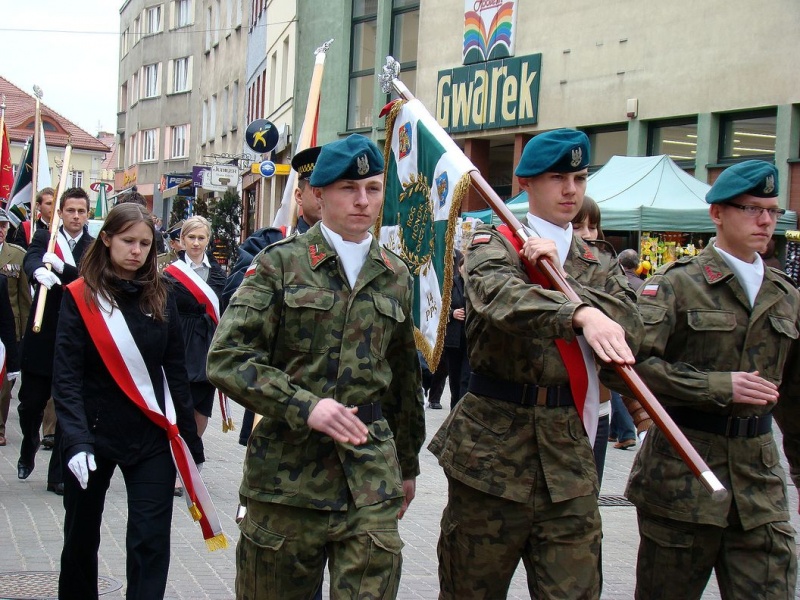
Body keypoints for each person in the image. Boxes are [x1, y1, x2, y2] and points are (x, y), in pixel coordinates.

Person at [207, 134, 426, 600]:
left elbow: (404, 379)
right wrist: (305, 405)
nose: (363, 200)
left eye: (372, 187)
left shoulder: (396, 274)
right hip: (288, 479)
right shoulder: (279, 266)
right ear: (319, 194)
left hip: (369, 476)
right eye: (349, 188)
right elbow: (227, 358)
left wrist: (407, 465)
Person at [428, 128, 642, 599]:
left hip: (568, 457)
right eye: (557, 177)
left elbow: (633, 323)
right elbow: (499, 298)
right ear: (525, 183)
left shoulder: (595, 258)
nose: (571, 190)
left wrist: (566, 281)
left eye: (580, 177)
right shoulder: (494, 242)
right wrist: (579, 312)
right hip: (492, 457)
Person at [621, 160, 800, 599]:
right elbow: (633, 367)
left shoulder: (786, 295)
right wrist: (718, 386)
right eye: (751, 209)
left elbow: (794, 395)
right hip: (683, 478)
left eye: (773, 211)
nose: (765, 221)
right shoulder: (675, 285)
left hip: (759, 486)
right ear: (717, 213)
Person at [52, 203, 205, 599]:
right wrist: (76, 439)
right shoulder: (79, 296)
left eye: (144, 243)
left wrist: (189, 442)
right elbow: (66, 377)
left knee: (150, 540)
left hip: (150, 436)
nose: (136, 250)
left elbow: (176, 373)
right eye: (127, 241)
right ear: (107, 239)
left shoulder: (162, 295)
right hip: (93, 433)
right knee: (81, 538)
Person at [222, 145, 323, 448]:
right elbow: (232, 297)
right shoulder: (270, 243)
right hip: (279, 389)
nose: (323, 197)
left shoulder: (356, 251)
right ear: (299, 195)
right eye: (316, 190)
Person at [17, 187, 93, 495]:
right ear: (60, 212)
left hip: (75, 334)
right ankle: (29, 441)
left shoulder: (92, 245)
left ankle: (57, 475)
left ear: (88, 215)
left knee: (67, 406)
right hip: (43, 330)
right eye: (70, 211)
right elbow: (31, 259)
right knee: (30, 404)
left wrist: (65, 270)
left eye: (82, 211)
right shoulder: (45, 238)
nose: (76, 217)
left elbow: (91, 277)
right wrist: (38, 271)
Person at [163, 216, 226, 440]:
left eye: (201, 237)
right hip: (180, 342)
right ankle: (179, 454)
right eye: (191, 237)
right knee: (180, 401)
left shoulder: (219, 274)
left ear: (208, 240)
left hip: (206, 344)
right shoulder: (170, 274)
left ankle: (194, 450)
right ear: (182, 239)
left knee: (202, 405)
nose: (196, 243)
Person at [571, 195, 620, 480]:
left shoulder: (609, 267)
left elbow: (628, 321)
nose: (588, 234)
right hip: (563, 402)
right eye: (579, 226)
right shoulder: (546, 264)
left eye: (593, 226)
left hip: (599, 403)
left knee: (591, 490)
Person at [0, 208, 30, 446]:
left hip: (9, 327)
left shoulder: (17, 255)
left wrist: (26, 333)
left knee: (4, 385)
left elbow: (23, 299)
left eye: (3, 226)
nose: (0, 231)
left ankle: (0, 427)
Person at [426, 250, 470, 411]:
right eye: (465, 266)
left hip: (470, 339)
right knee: (454, 378)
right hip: (454, 339)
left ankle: (462, 412)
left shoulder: (475, 285)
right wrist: (452, 313)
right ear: (459, 268)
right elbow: (439, 307)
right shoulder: (450, 284)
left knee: (467, 378)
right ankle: (454, 409)